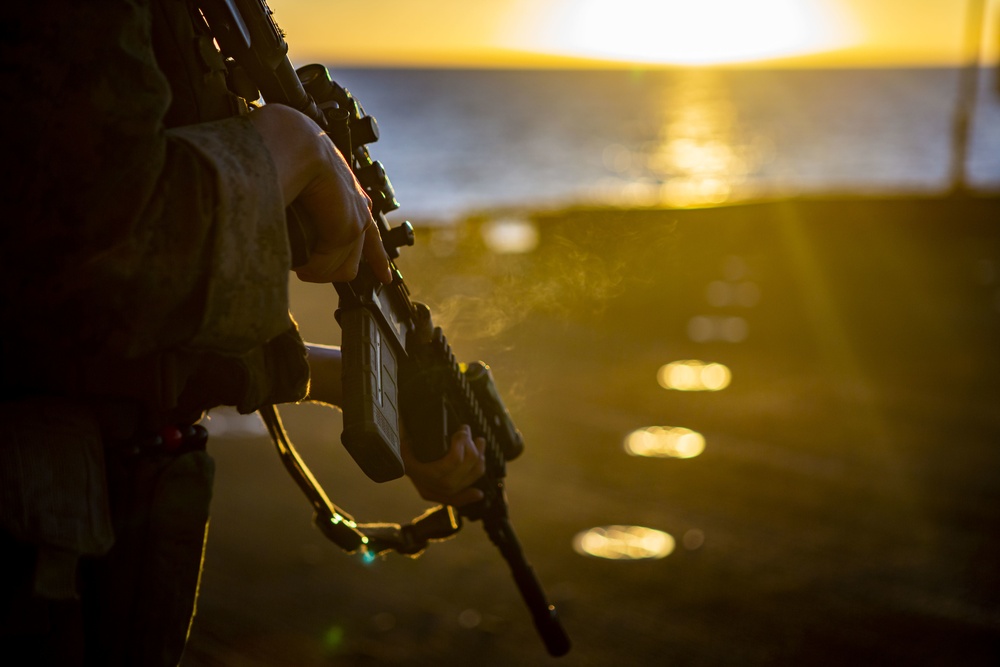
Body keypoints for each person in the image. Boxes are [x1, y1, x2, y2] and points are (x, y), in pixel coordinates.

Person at [0, 1, 484, 665]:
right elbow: (103, 250)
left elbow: (102, 331)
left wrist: (345, 381)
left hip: (92, 557)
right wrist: (294, 150)